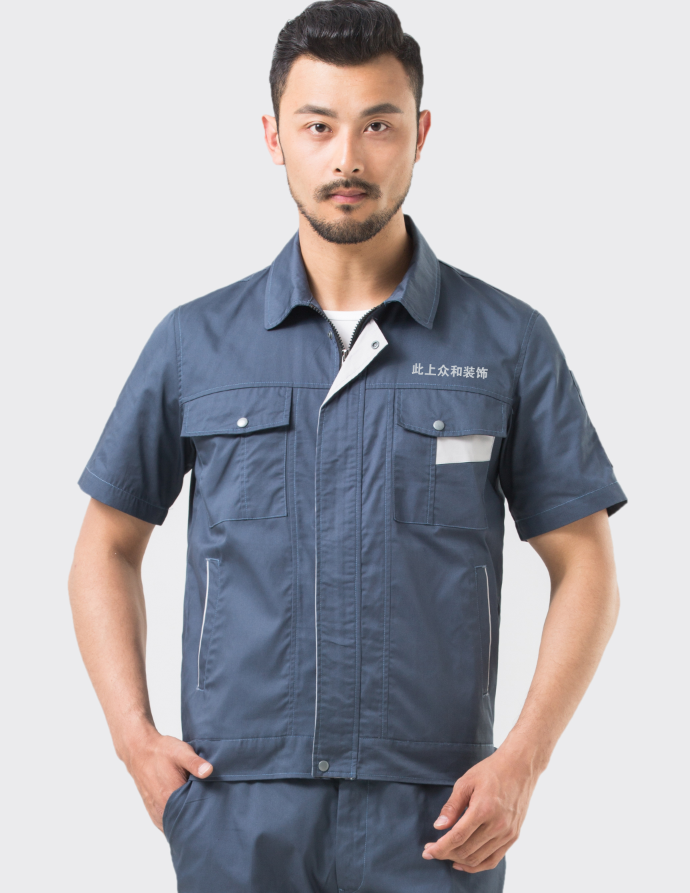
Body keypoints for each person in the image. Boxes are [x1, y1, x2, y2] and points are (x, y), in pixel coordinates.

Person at [68, 2, 627, 890]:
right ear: (273, 136)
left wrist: (523, 760)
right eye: (318, 126)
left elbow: (585, 561)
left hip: (439, 816)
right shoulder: (195, 343)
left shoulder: (506, 341)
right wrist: (133, 741)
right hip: (237, 807)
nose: (347, 159)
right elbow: (105, 543)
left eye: (378, 125)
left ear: (420, 135)